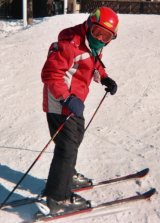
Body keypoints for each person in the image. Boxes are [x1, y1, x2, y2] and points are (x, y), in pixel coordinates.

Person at [41, 6, 119, 214]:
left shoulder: (93, 44)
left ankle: (67, 174)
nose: (100, 38)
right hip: (60, 101)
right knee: (67, 147)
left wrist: (104, 77)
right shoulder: (70, 44)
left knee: (75, 137)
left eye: (106, 36)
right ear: (89, 25)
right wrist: (66, 99)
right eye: (97, 32)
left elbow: (94, 60)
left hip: (74, 100)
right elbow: (50, 75)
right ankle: (58, 198)